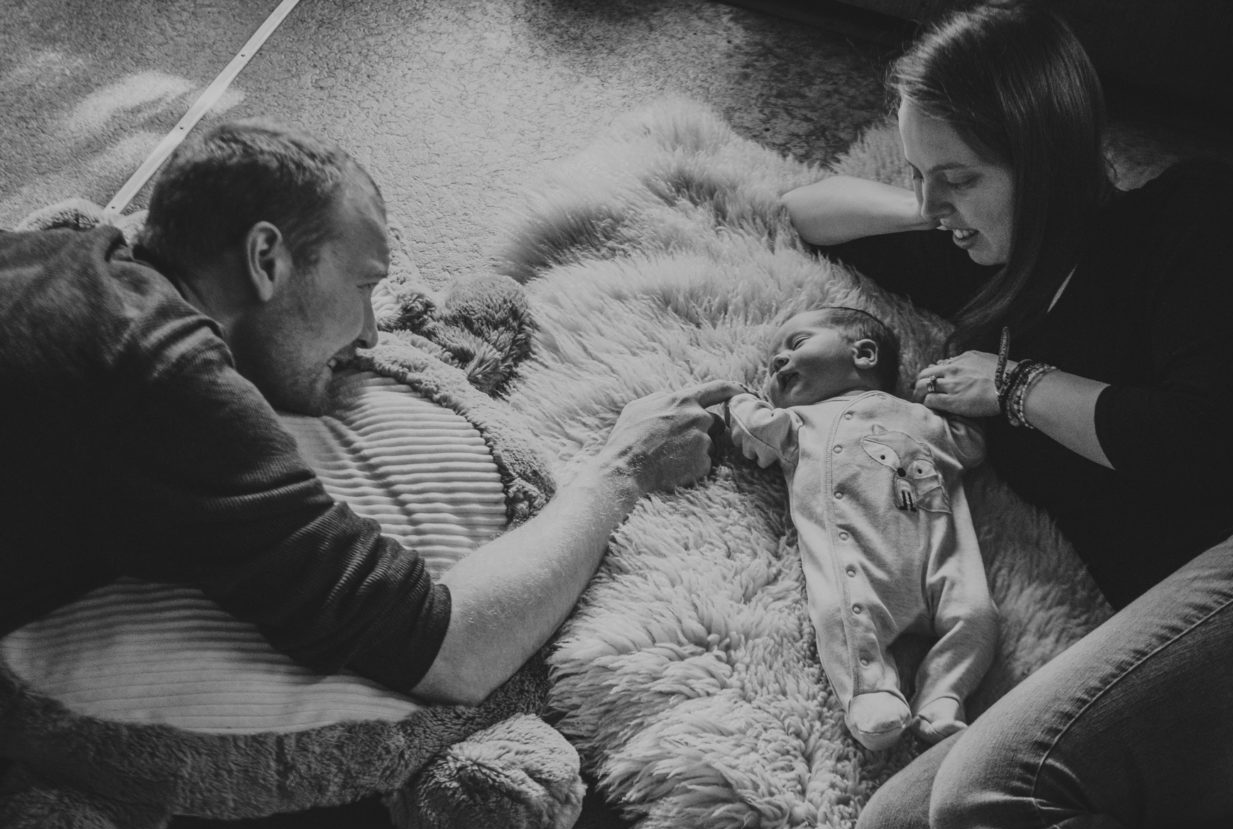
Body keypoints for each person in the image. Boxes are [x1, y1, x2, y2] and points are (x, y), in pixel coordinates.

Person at [781, 1, 1233, 829]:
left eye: (958, 177)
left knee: (987, 800)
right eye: (920, 174)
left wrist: (1015, 388)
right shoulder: (989, 269)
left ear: (1043, 166)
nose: (935, 206)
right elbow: (805, 210)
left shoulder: (1188, 216)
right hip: (1193, 655)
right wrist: (942, 206)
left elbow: (1202, 444)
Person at [0, 118, 737, 706]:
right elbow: (454, 652)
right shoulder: (167, 382)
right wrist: (622, 469)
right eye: (362, 286)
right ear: (266, 259)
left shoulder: (45, 258)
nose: (372, 334)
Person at [723, 306, 996, 750]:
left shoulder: (920, 418)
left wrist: (941, 392)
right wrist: (739, 400)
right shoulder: (799, 424)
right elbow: (755, 433)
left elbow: (971, 445)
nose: (776, 363)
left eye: (796, 345)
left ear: (864, 354)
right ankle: (871, 693)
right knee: (840, 617)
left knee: (979, 617)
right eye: (771, 364)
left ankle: (943, 694)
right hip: (858, 567)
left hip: (941, 557)